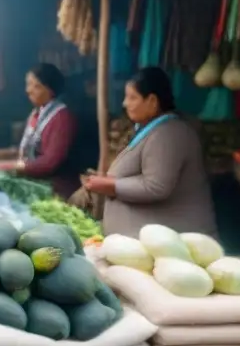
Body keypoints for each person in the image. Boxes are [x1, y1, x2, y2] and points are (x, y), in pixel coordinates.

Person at [84, 66, 217, 238]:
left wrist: (111, 185)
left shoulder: (169, 134)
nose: (125, 104)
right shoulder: (152, 129)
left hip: (176, 245)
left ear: (152, 101)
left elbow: (156, 186)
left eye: (132, 97)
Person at [2, 63, 78, 197]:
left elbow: (49, 163)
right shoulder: (36, 113)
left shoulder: (61, 118)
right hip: (33, 183)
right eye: (28, 84)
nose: (28, 90)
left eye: (35, 86)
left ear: (50, 90)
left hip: (54, 188)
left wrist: (14, 167)